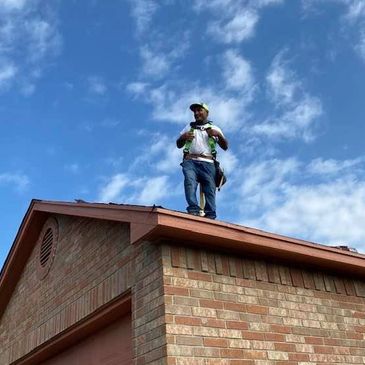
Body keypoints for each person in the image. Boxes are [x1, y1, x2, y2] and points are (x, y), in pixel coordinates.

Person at [176, 102, 228, 219]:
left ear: (206, 113)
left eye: (200, 110)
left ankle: (210, 214)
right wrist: (183, 137)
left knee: (209, 188)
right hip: (190, 161)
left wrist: (218, 135)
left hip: (208, 163)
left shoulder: (214, 128)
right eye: (195, 111)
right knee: (189, 182)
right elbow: (179, 144)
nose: (196, 113)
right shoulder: (189, 128)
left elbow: (225, 146)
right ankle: (193, 209)